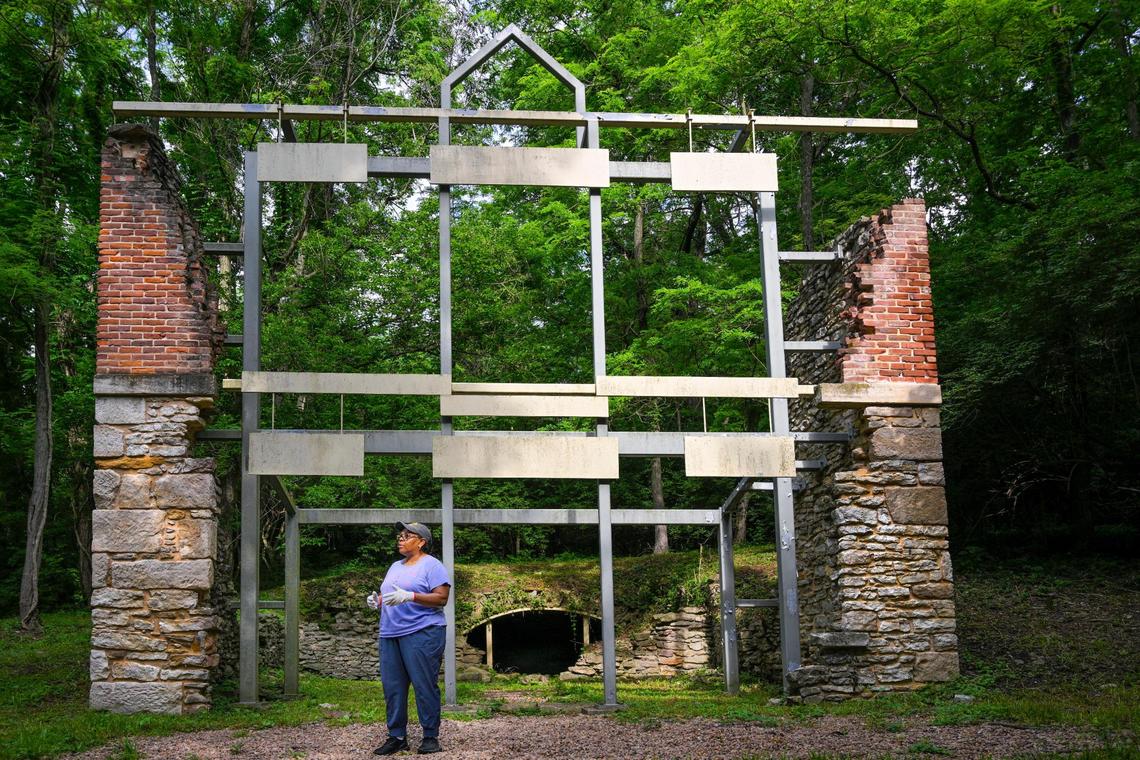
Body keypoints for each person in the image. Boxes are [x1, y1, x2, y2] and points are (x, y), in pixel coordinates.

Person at [367, 521, 451, 755]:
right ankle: (397, 737)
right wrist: (378, 601)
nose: (400, 538)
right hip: (390, 633)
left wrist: (411, 596)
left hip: (422, 632)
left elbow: (442, 598)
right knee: (393, 687)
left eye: (407, 535)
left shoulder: (432, 565)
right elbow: (392, 595)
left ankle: (430, 737)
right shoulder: (395, 566)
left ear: (422, 541)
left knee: (424, 685)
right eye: (400, 535)